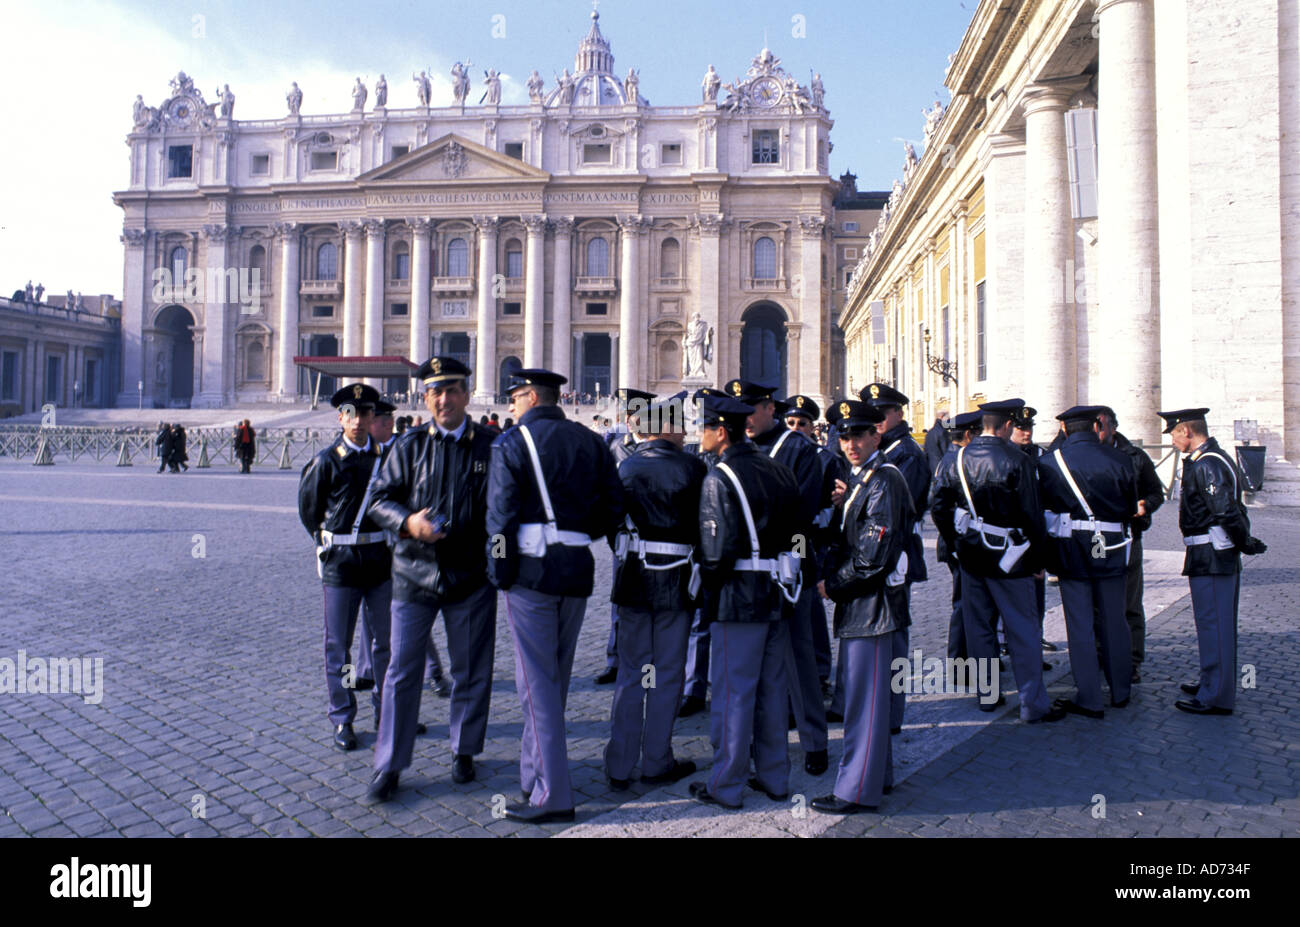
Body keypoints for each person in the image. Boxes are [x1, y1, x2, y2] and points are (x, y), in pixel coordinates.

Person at [486, 368, 623, 822]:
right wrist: (581, 534)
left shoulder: (509, 444)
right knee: (554, 679)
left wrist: (499, 572)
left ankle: (553, 794)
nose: (509, 406)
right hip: (577, 567)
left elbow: (500, 519)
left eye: (513, 398)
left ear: (529, 397)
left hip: (530, 572)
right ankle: (534, 772)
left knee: (536, 686)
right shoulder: (589, 441)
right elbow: (614, 506)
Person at [364, 359, 497, 800]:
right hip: (412, 573)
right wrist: (407, 522)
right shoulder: (408, 445)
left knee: (469, 671)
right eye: (436, 392)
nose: (444, 400)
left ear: (467, 393)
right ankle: (390, 763)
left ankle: (465, 749)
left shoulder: (493, 446)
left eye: (453, 390)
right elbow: (378, 501)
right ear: (425, 398)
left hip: (470, 575)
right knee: (402, 673)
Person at [688, 392, 801, 810]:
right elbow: (799, 534)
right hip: (777, 592)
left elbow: (716, 554)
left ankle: (727, 781)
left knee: (734, 693)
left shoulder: (719, 478)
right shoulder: (779, 469)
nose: (699, 435)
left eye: (703, 427)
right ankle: (775, 776)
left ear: (721, 432)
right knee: (772, 690)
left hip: (737, 598)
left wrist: (706, 593)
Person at [930, 398, 1066, 723]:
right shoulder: (1018, 460)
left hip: (972, 556)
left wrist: (956, 541)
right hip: (1013, 559)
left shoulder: (956, 459)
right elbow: (1033, 516)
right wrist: (1038, 559)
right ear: (1006, 425)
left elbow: (937, 506)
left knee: (979, 628)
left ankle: (987, 695)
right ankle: (1032, 703)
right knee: (1022, 629)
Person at [725, 378, 828, 776]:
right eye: (740, 412)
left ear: (772, 408)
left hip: (788, 566)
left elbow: (803, 517)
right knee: (754, 663)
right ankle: (758, 744)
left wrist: (799, 564)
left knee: (799, 657)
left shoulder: (800, 450)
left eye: (753, 409)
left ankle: (815, 741)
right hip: (748, 570)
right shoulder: (738, 450)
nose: (746, 418)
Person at [814, 400, 913, 814]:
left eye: (858, 435)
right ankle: (877, 776)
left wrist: (831, 586)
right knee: (866, 700)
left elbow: (871, 557)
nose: (850, 443)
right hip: (866, 606)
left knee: (864, 705)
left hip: (871, 607)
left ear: (876, 434)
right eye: (844, 436)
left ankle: (855, 790)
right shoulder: (864, 477)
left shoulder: (884, 480)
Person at [605, 391, 705, 789]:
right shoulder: (695, 468)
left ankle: (618, 763)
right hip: (679, 579)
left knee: (632, 673)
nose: (685, 431)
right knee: (667, 674)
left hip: (633, 576)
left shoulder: (624, 468)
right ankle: (656, 760)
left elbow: (609, 521)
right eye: (679, 424)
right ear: (665, 428)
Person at [297, 384, 392, 751]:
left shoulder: (387, 458)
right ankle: (343, 716)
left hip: (379, 560)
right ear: (340, 419)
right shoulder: (326, 461)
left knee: (384, 643)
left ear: (372, 417)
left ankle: (386, 711)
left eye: (364, 414)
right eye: (349, 414)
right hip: (341, 563)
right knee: (339, 645)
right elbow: (309, 511)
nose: (357, 421)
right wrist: (326, 545)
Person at [1159, 408, 1266, 715]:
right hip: (1209, 554)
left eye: (1174, 434)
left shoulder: (1208, 464)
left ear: (1186, 432)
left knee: (1214, 626)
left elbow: (1226, 512)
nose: (1173, 441)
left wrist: (1246, 543)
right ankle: (1212, 680)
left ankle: (1215, 696)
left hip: (1213, 555)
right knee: (1212, 624)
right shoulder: (1209, 460)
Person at [1037, 405, 1139, 718]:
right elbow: (1129, 506)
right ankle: (1121, 690)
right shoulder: (1122, 458)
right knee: (1115, 621)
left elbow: (1044, 507)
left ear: (1065, 430)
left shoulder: (1050, 462)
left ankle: (1090, 698)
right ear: (1097, 426)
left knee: (1080, 625)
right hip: (1111, 545)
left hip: (1072, 549)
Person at [854, 383, 929, 733]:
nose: (879, 419)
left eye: (884, 413)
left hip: (894, 556)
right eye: (874, 414)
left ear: (899, 413)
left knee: (895, 633)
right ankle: (874, 705)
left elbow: (902, 509)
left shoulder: (907, 453)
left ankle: (892, 713)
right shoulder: (881, 451)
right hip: (876, 552)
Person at [1096, 406, 1165, 683]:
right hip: (1096, 539)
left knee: (1130, 601)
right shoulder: (1082, 453)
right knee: (1096, 601)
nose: (1096, 431)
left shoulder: (1136, 456)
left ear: (1114, 426)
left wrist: (1146, 505)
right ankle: (1100, 653)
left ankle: (1132, 659)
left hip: (1128, 537)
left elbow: (1156, 493)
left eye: (1101, 425)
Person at [784, 395, 847, 698]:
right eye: (791, 422)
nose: (796, 428)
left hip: (812, 539)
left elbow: (835, 506)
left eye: (802, 423)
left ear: (812, 427)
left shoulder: (826, 458)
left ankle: (820, 670)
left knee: (809, 602)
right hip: (791, 537)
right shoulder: (779, 452)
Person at [930, 410, 982, 661]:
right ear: (970, 434)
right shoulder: (957, 461)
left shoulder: (949, 458)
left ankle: (968, 656)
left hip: (955, 541)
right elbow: (938, 507)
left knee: (966, 601)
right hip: (959, 542)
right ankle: (961, 660)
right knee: (964, 603)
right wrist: (954, 540)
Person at [355, 400, 399, 693]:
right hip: (349, 558)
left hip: (385, 551)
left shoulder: (395, 453)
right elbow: (313, 508)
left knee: (385, 624)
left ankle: (383, 703)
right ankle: (344, 710)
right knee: (339, 642)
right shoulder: (339, 458)